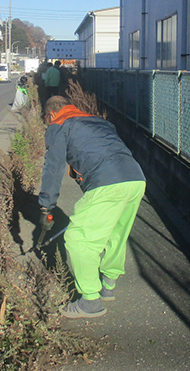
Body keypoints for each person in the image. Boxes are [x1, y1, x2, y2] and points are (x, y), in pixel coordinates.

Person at [38, 95, 146, 318]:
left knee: (78, 238)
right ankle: (108, 286)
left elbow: (53, 168)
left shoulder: (59, 124)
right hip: (135, 179)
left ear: (50, 115)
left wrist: (46, 206)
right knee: (114, 234)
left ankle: (90, 302)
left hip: (107, 183)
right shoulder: (98, 122)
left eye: (47, 120)